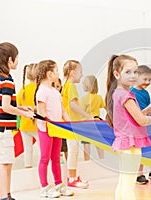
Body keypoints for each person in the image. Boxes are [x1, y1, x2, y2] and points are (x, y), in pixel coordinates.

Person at [105, 55, 151, 200]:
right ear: (117, 74)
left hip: (124, 142)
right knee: (129, 184)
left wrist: (148, 109)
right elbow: (142, 121)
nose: (133, 76)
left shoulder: (118, 93)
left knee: (124, 180)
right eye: (128, 72)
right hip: (131, 145)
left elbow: (132, 117)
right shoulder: (126, 96)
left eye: (135, 72)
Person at [0, 42, 34, 200]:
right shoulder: (7, 80)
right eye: (17, 58)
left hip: (1, 129)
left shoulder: (0, 78)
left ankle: (7, 195)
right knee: (4, 164)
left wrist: (21, 107)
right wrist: (23, 114)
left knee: (6, 163)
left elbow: (5, 103)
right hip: (3, 129)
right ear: (9, 60)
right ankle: (5, 196)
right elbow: (5, 107)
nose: (18, 61)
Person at [35, 60, 74, 198]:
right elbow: (42, 112)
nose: (58, 74)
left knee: (56, 158)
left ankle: (59, 184)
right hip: (46, 130)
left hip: (57, 129)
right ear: (49, 74)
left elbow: (63, 110)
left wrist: (69, 122)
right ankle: (45, 187)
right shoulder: (41, 91)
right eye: (56, 71)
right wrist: (50, 123)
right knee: (45, 158)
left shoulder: (55, 92)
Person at [61, 60, 92, 189]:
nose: (82, 74)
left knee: (73, 151)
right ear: (73, 73)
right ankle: (72, 178)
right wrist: (87, 115)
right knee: (73, 151)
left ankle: (72, 177)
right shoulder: (71, 86)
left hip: (69, 124)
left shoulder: (66, 85)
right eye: (80, 72)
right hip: (71, 125)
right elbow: (73, 105)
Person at [16, 63, 39, 168]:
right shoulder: (39, 89)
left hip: (24, 126)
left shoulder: (23, 90)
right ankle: (44, 167)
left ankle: (28, 166)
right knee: (43, 148)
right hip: (37, 125)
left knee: (27, 148)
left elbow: (17, 107)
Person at [79, 75, 105, 160]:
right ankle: (102, 158)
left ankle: (87, 160)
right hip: (97, 124)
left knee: (86, 143)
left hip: (86, 124)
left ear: (87, 86)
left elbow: (80, 113)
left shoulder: (84, 99)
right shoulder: (99, 97)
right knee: (98, 143)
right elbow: (106, 107)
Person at [52, 78, 68, 162]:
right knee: (57, 149)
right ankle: (59, 162)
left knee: (65, 147)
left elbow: (65, 111)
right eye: (53, 86)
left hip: (63, 126)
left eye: (57, 86)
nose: (55, 89)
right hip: (54, 127)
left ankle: (68, 164)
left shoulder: (62, 98)